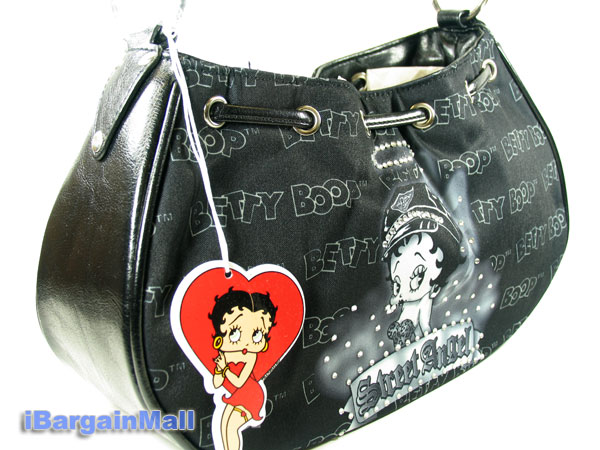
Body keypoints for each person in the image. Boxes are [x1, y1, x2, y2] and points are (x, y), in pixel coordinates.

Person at [381, 183, 464, 346]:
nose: (403, 291)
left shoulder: (426, 300)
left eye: (417, 276)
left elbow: (425, 324)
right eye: (397, 283)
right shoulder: (409, 303)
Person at [209, 288, 278, 450]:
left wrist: (224, 369)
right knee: (223, 425)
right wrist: (219, 370)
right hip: (236, 395)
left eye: (257, 334)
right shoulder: (225, 354)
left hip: (251, 395)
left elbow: (240, 382)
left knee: (231, 427)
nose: (247, 342)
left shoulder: (250, 356)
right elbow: (217, 383)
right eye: (234, 333)